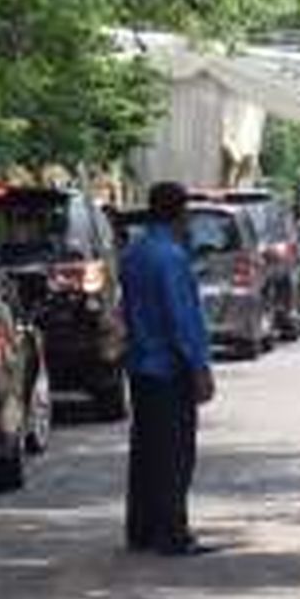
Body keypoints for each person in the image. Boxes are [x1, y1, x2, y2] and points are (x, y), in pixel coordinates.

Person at [121, 182, 217, 556]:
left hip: (141, 365)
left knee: (145, 451)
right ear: (180, 213)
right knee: (175, 454)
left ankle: (141, 529)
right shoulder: (172, 257)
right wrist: (199, 367)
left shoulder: (134, 253)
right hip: (169, 368)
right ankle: (173, 532)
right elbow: (182, 318)